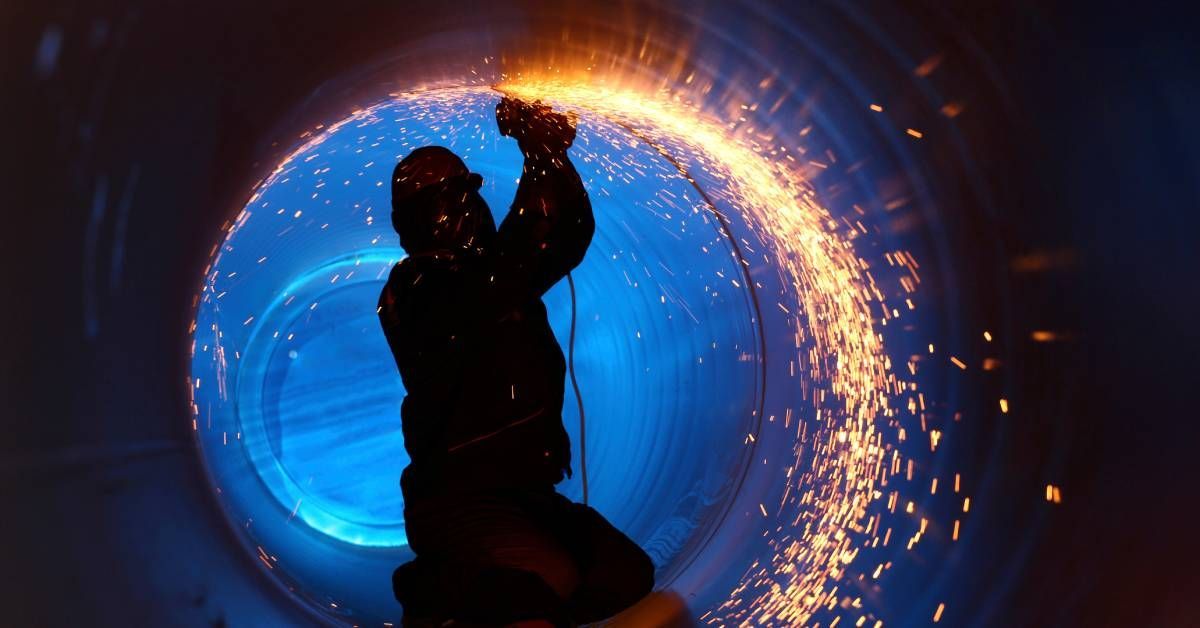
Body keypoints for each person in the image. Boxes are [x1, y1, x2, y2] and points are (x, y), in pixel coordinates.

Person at [378, 96, 655, 627]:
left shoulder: (487, 273)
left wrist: (544, 152)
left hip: (522, 489)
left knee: (622, 574)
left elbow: (559, 236)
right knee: (535, 589)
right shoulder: (419, 288)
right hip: (460, 499)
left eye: (466, 191)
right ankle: (439, 596)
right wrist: (539, 149)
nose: (469, 205)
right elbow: (535, 243)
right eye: (456, 195)